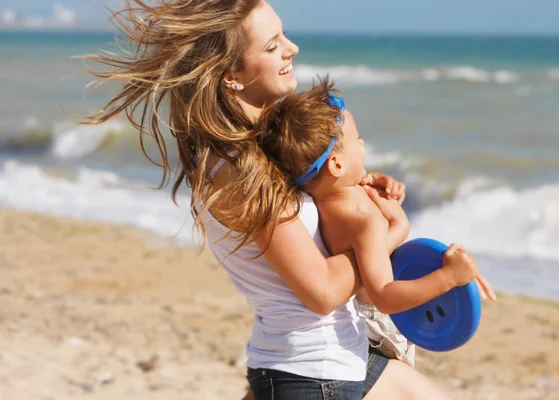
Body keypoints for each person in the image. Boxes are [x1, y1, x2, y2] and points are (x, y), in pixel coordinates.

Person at [79, 1, 495, 398]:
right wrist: (384, 233)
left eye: (284, 37)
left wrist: (352, 189)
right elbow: (323, 291)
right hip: (314, 370)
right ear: (231, 76)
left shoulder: (259, 151)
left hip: (328, 357)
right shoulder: (239, 172)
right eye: (272, 45)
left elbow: (316, 238)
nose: (291, 48)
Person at [257, 78, 495, 369]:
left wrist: (370, 186)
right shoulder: (364, 220)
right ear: (336, 165)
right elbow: (384, 296)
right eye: (357, 139)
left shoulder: (319, 196)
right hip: (376, 325)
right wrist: (449, 278)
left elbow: (344, 194)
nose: (363, 144)